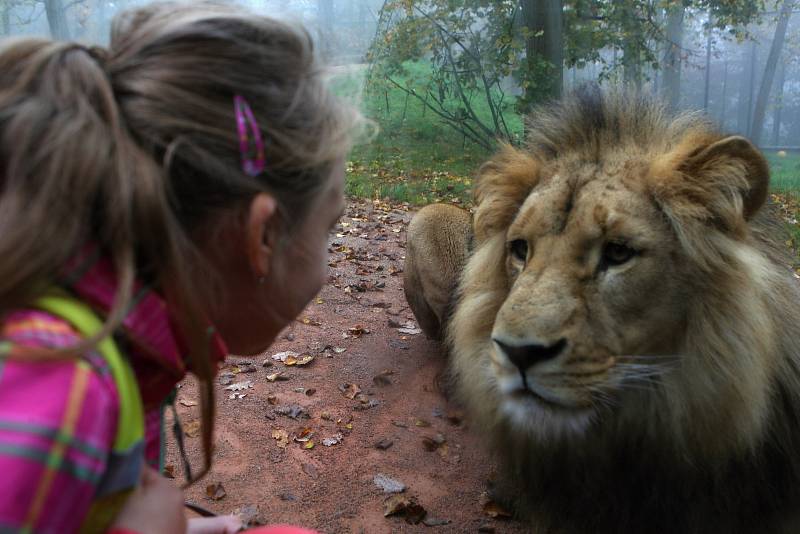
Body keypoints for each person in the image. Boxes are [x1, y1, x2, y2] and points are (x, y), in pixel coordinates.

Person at [0, 1, 361, 532]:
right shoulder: (61, 382)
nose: (329, 267)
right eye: (329, 229)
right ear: (262, 237)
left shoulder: (108, 338)